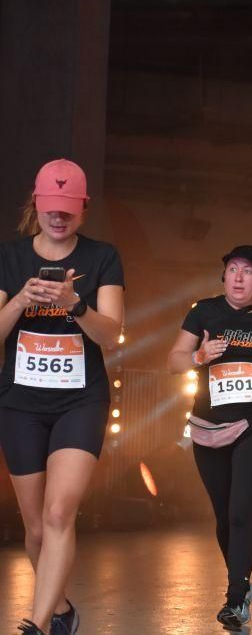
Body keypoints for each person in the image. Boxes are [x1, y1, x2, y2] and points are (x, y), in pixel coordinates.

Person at [0, 159, 125, 635]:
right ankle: (63, 612)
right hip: (20, 403)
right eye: (51, 207)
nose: (58, 216)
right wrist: (20, 299)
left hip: (80, 401)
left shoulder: (103, 257)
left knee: (58, 513)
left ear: (83, 208)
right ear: (37, 204)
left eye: (68, 208)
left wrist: (77, 305)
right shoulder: (9, 258)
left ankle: (36, 624)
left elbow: (111, 335)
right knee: (36, 529)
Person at [166, 245, 252, 630]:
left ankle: (235, 598)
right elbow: (174, 359)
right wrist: (198, 357)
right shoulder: (204, 312)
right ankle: (242, 584)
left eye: (248, 271)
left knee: (241, 510)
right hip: (208, 426)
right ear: (224, 276)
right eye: (232, 269)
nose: (239, 277)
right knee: (224, 516)